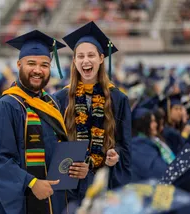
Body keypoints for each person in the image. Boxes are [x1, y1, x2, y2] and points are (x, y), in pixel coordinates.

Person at [0, 30, 81, 214]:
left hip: (57, 198)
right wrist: (31, 182)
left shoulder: (51, 103)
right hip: (28, 201)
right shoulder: (8, 106)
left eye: (44, 65)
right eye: (31, 64)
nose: (38, 70)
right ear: (19, 64)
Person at [54, 21, 132, 202]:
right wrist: (73, 167)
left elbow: (124, 145)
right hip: (70, 186)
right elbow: (55, 144)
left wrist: (114, 155)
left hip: (105, 182)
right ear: (74, 60)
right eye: (80, 56)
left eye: (91, 55)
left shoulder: (118, 99)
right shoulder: (60, 99)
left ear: (101, 58)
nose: (85, 60)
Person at [130, 108, 175, 182]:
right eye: (152, 121)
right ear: (143, 123)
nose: (156, 124)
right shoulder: (140, 146)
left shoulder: (155, 139)